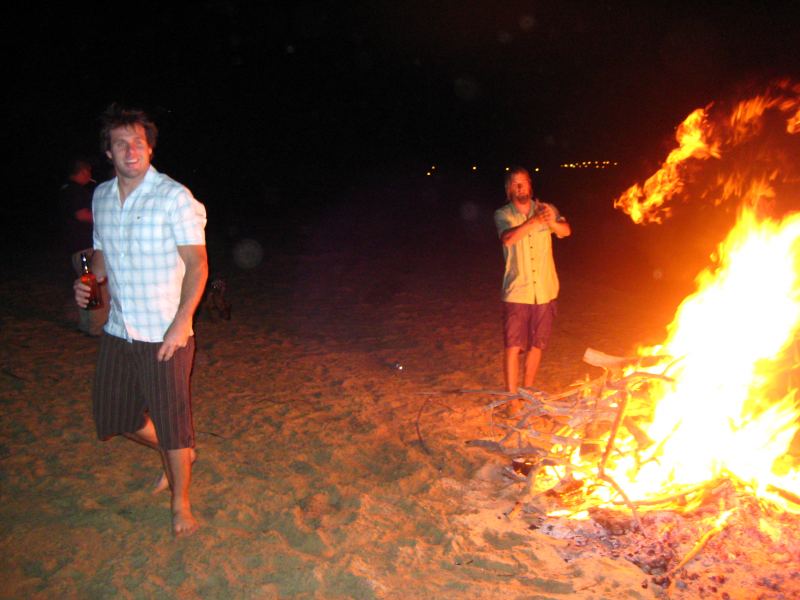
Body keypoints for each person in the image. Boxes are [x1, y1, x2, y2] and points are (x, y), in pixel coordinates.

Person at [74, 104, 208, 536]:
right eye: (120, 143)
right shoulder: (101, 197)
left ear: (149, 147)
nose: (130, 150)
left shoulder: (174, 198)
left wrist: (180, 321)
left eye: (138, 142)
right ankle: (181, 453)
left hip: (165, 332)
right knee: (114, 416)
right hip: (120, 330)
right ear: (109, 153)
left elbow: (198, 264)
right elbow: (100, 252)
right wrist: (91, 280)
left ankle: (180, 501)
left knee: (172, 423)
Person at [494, 167, 571, 407]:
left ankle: (526, 392)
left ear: (530, 185)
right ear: (509, 189)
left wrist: (552, 223)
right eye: (515, 184)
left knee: (538, 344)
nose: (520, 188)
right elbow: (508, 238)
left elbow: (566, 231)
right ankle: (511, 400)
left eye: (524, 183)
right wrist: (534, 221)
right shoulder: (502, 214)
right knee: (513, 345)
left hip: (545, 290)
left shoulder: (547, 209)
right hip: (518, 290)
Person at [59, 158, 109, 335]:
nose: (90, 176)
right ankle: (95, 328)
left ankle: (86, 325)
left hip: (74, 246)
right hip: (84, 247)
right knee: (95, 286)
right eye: (87, 172)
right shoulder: (76, 191)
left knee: (85, 285)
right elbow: (82, 215)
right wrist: (106, 219)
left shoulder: (65, 189)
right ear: (82, 172)